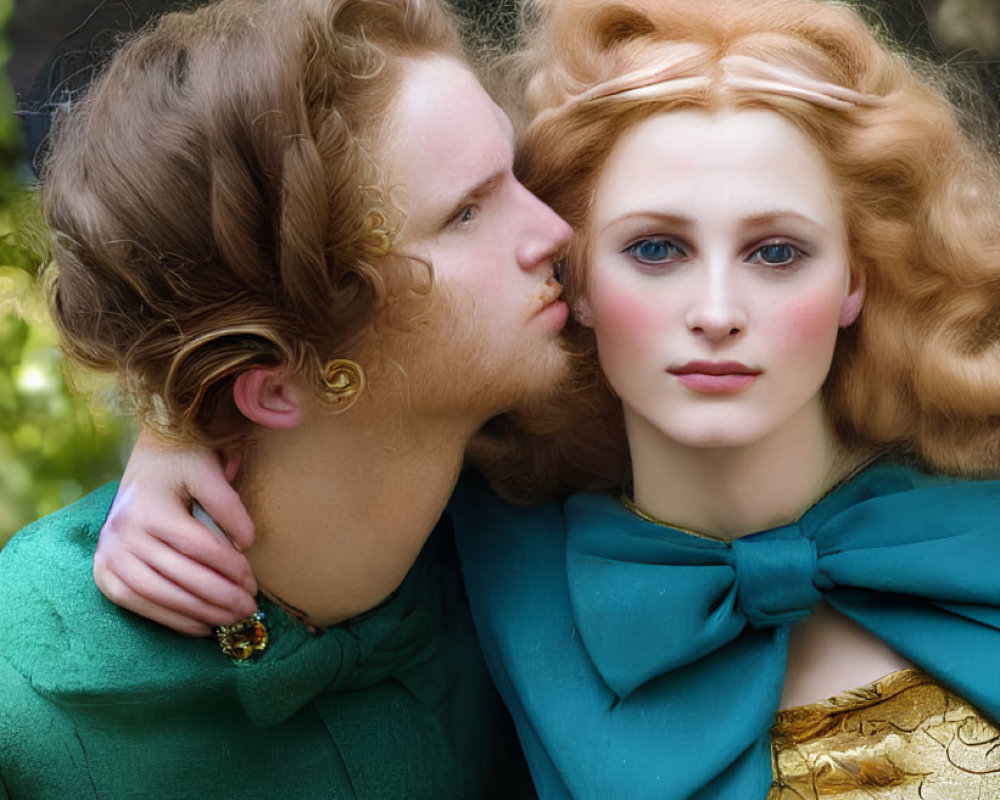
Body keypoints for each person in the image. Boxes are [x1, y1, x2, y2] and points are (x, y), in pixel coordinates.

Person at [89, 0, 1000, 798]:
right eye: (654, 249)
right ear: (575, 275)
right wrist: (177, 420)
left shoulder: (970, 525)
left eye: (777, 253)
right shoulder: (489, 549)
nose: (717, 315)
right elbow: (306, 348)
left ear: (858, 279)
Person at [0, 0, 572, 795]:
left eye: (515, 176)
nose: (556, 230)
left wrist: (176, 422)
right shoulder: (27, 698)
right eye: (467, 213)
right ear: (276, 384)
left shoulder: (538, 527)